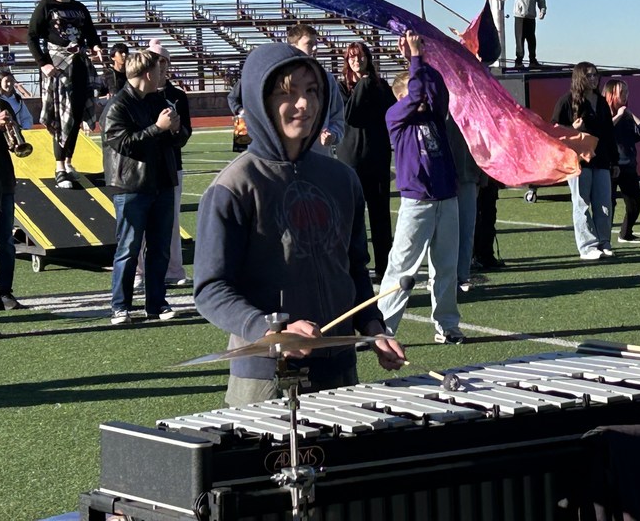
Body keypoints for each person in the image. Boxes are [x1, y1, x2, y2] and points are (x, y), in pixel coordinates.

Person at [195, 42, 406, 406]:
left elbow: (353, 268)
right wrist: (269, 330)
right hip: (267, 376)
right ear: (259, 100)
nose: (304, 105)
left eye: (312, 91)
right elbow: (211, 289)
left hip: (341, 370)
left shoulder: (342, 179)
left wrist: (373, 326)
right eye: (287, 94)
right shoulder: (233, 187)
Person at [377, 31, 464, 345]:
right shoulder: (396, 117)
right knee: (402, 267)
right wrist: (413, 58)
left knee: (446, 267)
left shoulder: (434, 117)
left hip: (445, 197)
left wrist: (420, 59)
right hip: (417, 201)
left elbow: (437, 91)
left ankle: (447, 325)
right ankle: (384, 328)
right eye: (415, 93)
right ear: (400, 98)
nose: (424, 99)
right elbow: (416, 95)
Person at [102, 50, 181, 325]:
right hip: (132, 185)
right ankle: (120, 306)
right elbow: (121, 143)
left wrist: (176, 130)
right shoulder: (118, 105)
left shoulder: (159, 99)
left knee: (159, 248)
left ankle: (156, 303)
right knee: (129, 247)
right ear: (148, 74)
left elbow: (178, 139)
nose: (163, 76)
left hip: (162, 182)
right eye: (160, 71)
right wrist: (158, 129)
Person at [27, 0, 104, 189]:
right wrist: (43, 63)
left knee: (77, 115)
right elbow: (31, 37)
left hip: (80, 65)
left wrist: (96, 47)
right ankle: (59, 167)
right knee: (61, 117)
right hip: (58, 67)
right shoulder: (46, 7)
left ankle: (69, 162)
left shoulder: (79, 8)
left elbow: (90, 32)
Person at [335, 42, 396, 282]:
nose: (356, 61)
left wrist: (370, 83)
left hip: (378, 158)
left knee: (381, 216)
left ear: (368, 59)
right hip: (351, 159)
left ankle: (385, 265)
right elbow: (351, 115)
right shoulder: (342, 87)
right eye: (351, 58)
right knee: (353, 217)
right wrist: (362, 84)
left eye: (360, 57)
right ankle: (357, 266)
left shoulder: (380, 86)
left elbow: (392, 113)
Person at [135, 40, 192, 289]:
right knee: (138, 223)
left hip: (171, 166)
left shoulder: (177, 96)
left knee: (170, 222)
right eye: (154, 61)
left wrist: (177, 129)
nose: (159, 66)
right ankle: (137, 272)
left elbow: (185, 133)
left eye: (163, 61)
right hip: (142, 168)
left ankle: (174, 269)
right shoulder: (137, 96)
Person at [551, 62, 619, 261]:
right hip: (579, 161)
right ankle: (587, 246)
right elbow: (554, 131)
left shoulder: (601, 101)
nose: (594, 78)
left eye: (596, 75)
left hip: (601, 160)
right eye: (589, 75)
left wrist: (614, 161)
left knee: (604, 204)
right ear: (580, 77)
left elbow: (609, 133)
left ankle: (604, 242)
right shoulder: (567, 102)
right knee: (581, 203)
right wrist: (572, 128)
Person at [602, 79, 640, 244]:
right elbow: (604, 131)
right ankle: (603, 238)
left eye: (627, 92)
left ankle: (626, 233)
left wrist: (630, 115)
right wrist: (618, 115)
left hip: (628, 165)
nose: (625, 96)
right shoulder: (603, 114)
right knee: (608, 204)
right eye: (621, 93)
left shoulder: (626, 116)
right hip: (609, 166)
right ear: (611, 95)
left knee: (634, 205)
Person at [286, 23, 344, 152]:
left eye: (315, 43)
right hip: (286, 162)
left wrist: (332, 135)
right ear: (293, 47)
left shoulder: (327, 79)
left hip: (319, 159)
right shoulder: (279, 80)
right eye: (309, 44)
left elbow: (337, 118)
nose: (315, 48)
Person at [445, 113, 481, 291]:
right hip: (445, 178)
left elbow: (483, 143)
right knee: (443, 232)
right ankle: (439, 276)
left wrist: (481, 177)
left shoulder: (474, 109)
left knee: (467, 229)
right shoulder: (440, 103)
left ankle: (462, 275)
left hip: (468, 176)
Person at [489, 0, 547, 68]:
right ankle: (519, 61)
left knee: (531, 39)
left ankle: (533, 60)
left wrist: (542, 11)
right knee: (520, 39)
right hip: (519, 17)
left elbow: (541, 0)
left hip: (531, 17)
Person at [0, 99, 22, 311]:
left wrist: (12, 130)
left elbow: (15, 141)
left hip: (4, 180)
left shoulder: (1, 103)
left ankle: (4, 291)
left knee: (6, 242)